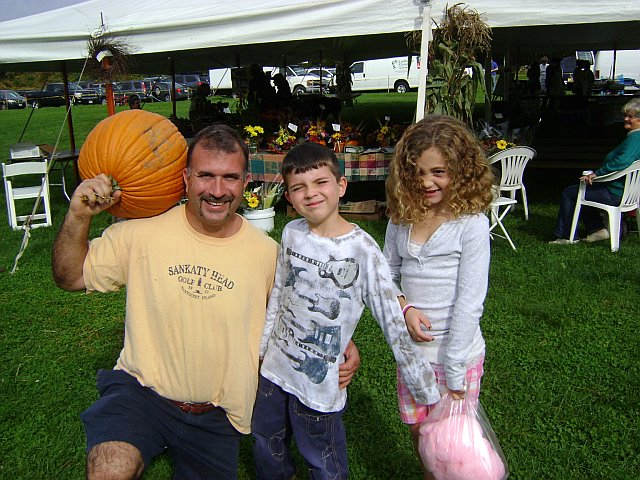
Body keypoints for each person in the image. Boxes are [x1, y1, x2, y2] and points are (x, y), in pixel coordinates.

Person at [51, 124, 359, 480]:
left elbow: (302, 309)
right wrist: (78, 216)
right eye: (205, 176)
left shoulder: (268, 255)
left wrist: (341, 343)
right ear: (186, 178)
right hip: (141, 393)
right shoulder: (140, 234)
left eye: (229, 177)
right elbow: (69, 277)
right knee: (110, 468)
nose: (216, 190)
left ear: (246, 183)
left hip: (218, 413)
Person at [252, 142, 440, 480]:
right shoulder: (292, 233)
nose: (310, 194)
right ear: (289, 198)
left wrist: (426, 389)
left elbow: (392, 321)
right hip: (274, 372)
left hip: (320, 383)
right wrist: (263, 350)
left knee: (323, 459)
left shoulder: (363, 251)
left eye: (321, 182)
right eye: (298, 188)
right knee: (267, 441)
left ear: (341, 186)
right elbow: (279, 293)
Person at [382, 115, 494, 479]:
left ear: (461, 171)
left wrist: (456, 369)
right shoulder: (402, 215)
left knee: (454, 445)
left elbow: (470, 301)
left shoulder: (471, 223)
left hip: (454, 356)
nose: (426, 182)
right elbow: (387, 274)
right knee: (421, 434)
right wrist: (404, 305)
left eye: (439, 172)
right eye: (417, 172)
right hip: (412, 356)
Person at [549, 98, 640, 245]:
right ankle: (597, 229)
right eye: (625, 115)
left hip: (615, 193)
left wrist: (597, 174)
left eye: (630, 116)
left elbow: (623, 161)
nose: (626, 118)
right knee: (583, 189)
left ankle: (565, 235)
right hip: (626, 192)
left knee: (569, 193)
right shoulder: (635, 137)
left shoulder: (636, 138)